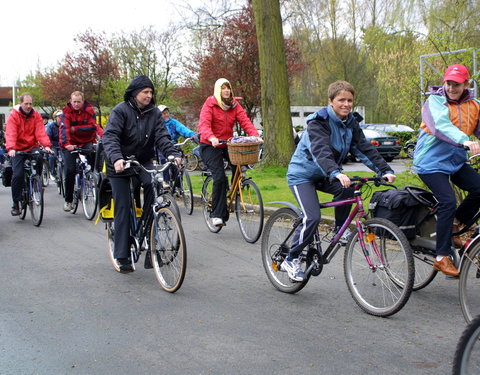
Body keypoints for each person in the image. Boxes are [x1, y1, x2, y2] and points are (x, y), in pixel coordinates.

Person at [284, 80, 396, 281]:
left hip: (326, 173)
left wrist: (384, 170)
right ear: (330, 101)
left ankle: (339, 228)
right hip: (302, 175)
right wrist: (335, 172)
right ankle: (291, 258)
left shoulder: (350, 122)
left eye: (349, 100)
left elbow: (364, 148)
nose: (346, 104)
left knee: (349, 189)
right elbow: (321, 151)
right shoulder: (319, 122)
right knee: (313, 217)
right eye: (341, 100)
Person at [103, 75, 182, 273]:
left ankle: (150, 244)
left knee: (152, 188)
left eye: (151, 92)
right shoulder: (120, 111)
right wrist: (117, 158)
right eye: (145, 92)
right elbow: (110, 136)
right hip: (119, 163)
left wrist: (173, 154)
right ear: (135, 92)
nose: (149, 95)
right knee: (123, 205)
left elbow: (162, 137)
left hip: (142, 162)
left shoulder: (154, 113)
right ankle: (122, 255)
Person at [413, 64, 480, 277]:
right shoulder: (434, 102)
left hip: (455, 162)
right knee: (448, 200)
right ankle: (442, 257)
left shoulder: (474, 105)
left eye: (457, 84)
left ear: (466, 85)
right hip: (430, 163)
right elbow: (440, 125)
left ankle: (454, 223)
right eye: (449, 83)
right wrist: (465, 141)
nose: (451, 88)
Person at [197, 78, 262, 227]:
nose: (226, 91)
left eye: (228, 88)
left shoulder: (234, 105)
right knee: (219, 177)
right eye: (223, 88)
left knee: (240, 163)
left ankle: (234, 189)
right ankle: (216, 214)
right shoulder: (210, 105)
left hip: (227, 143)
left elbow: (245, 121)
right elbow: (204, 125)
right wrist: (211, 137)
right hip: (210, 145)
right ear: (218, 90)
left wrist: (255, 136)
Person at [5, 93, 52, 216]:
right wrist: (11, 148)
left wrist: (46, 145)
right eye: (26, 103)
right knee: (18, 175)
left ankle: (37, 180)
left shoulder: (36, 115)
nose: (29, 106)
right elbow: (10, 133)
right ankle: (16, 204)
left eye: (30, 103)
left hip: (32, 146)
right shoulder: (14, 116)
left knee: (40, 156)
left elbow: (40, 132)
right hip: (17, 148)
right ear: (21, 103)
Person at [60, 91, 104, 212]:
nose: (76, 104)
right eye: (74, 101)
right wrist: (67, 144)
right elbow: (65, 130)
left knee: (97, 166)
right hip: (70, 144)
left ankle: (97, 187)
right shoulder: (66, 113)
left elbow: (95, 127)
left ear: (83, 101)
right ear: (70, 100)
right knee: (70, 170)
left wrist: (105, 138)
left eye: (78, 101)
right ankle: (68, 200)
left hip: (86, 142)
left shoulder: (89, 112)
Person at [157, 105, 195, 186]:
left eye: (167, 113)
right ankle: (166, 181)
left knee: (180, 162)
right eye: (163, 114)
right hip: (162, 148)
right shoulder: (157, 124)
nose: (166, 115)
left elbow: (182, 129)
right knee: (163, 160)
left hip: (174, 146)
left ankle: (178, 185)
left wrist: (192, 135)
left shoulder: (174, 123)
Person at [46, 110, 62, 180]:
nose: (61, 118)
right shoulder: (51, 126)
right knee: (52, 157)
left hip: (63, 145)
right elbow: (48, 137)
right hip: (54, 145)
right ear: (55, 118)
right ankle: (52, 172)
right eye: (59, 117)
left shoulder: (65, 125)